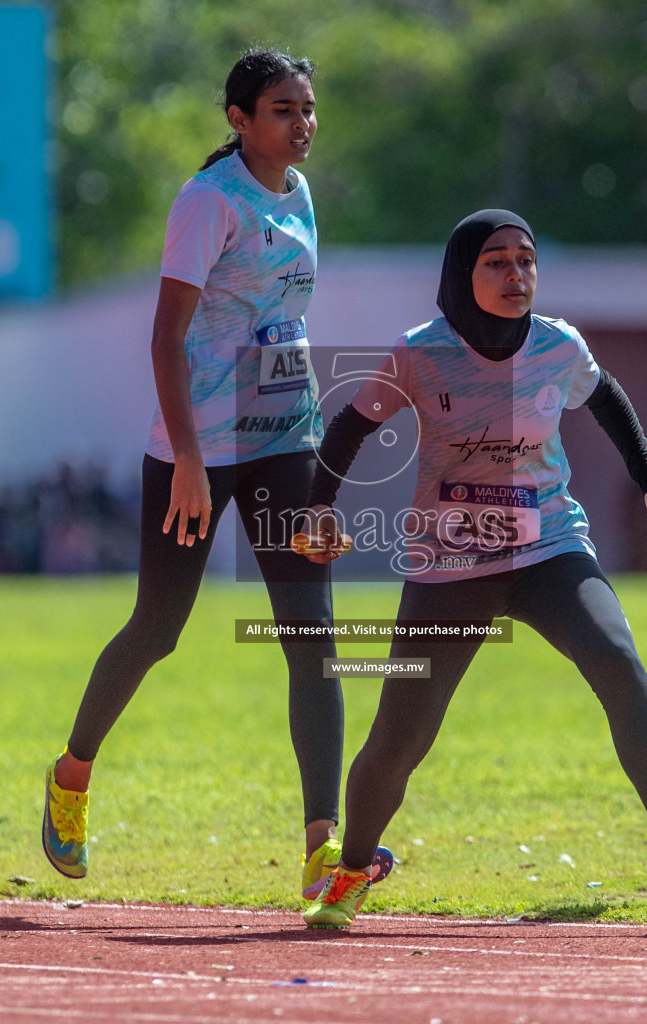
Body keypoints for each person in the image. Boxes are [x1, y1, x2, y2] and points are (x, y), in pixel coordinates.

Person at [298, 210, 647, 929]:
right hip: (450, 565)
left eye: (526, 261)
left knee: (617, 659)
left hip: (547, 549)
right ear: (463, 273)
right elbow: (348, 427)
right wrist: (319, 511)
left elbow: (608, 401)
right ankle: (349, 873)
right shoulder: (420, 353)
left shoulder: (558, 345)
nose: (516, 275)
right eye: (497, 262)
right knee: (399, 739)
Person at [42, 49, 389, 901]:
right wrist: (191, 462)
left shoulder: (301, 197)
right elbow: (166, 339)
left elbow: (283, 325)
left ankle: (321, 847)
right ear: (238, 119)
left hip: (285, 441)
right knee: (157, 631)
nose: (302, 124)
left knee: (313, 641)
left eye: (308, 108)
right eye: (282, 109)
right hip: (198, 448)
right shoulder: (207, 202)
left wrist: (321, 479)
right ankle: (71, 777)